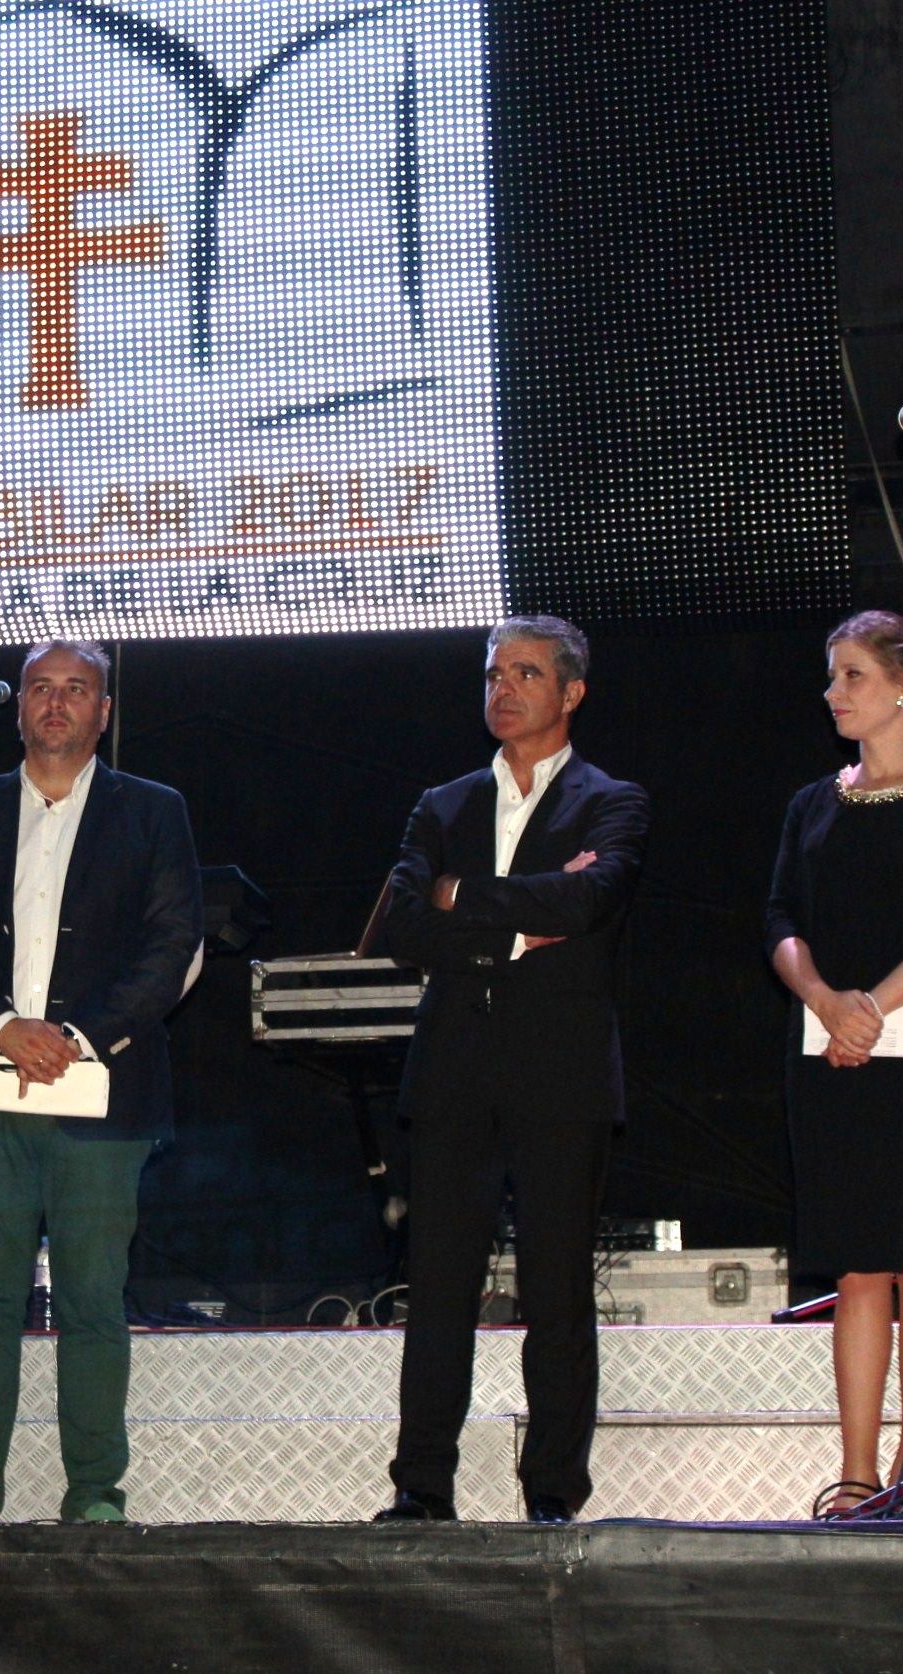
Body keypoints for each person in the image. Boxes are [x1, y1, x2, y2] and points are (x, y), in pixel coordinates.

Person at [371, 616, 650, 1524]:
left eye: (526, 673)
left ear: (571, 692)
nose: (504, 689)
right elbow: (404, 923)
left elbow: (589, 898)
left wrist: (464, 897)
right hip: (453, 1071)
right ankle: (421, 1486)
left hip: (561, 1076)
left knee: (558, 1289)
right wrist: (518, 936)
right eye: (494, 673)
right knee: (439, 1288)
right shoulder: (442, 804)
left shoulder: (613, 801)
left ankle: (554, 1493)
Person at [0, 640, 203, 1524]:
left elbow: (174, 943)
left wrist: (79, 1038)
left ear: (103, 713)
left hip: (101, 1097)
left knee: (92, 1303)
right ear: (17, 708)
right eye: (40, 687)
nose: (55, 702)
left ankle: (95, 1494)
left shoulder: (153, 811)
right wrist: (2, 1028)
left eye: (77, 689)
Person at [766, 609, 903, 1511]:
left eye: (851, 675)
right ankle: (857, 1477)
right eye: (832, 676)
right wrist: (827, 1002)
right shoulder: (812, 803)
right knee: (856, 1264)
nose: (833, 692)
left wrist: (875, 1006)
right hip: (828, 1050)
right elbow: (780, 920)